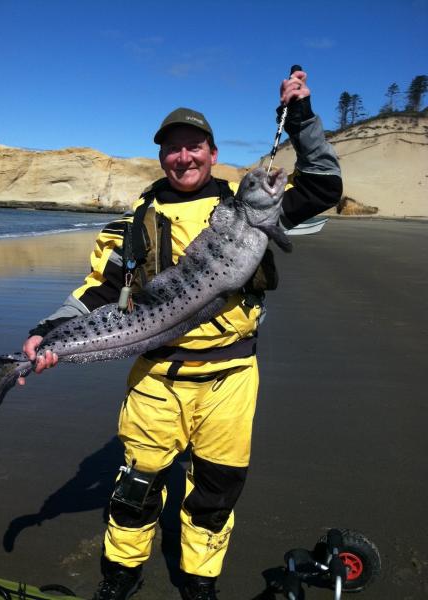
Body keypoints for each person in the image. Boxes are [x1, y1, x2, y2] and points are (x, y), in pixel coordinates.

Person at [19, 70, 342, 600]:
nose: (184, 157)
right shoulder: (135, 221)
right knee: (134, 489)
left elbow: (326, 184)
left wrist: (301, 117)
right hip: (155, 378)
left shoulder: (251, 205)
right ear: (162, 157)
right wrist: (46, 332)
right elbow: (100, 288)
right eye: (173, 149)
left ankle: (199, 583)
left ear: (213, 154)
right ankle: (119, 577)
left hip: (231, 376)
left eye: (194, 146)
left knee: (215, 490)